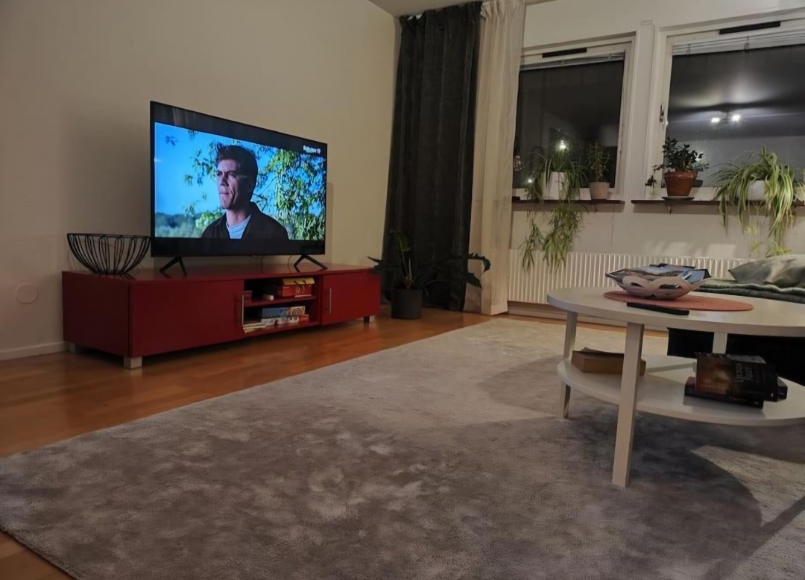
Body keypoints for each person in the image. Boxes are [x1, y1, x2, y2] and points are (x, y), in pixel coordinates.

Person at [201, 145, 289, 241]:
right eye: (219, 174)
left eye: (231, 174)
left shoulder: (274, 233)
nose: (222, 181)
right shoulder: (210, 233)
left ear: (249, 185)